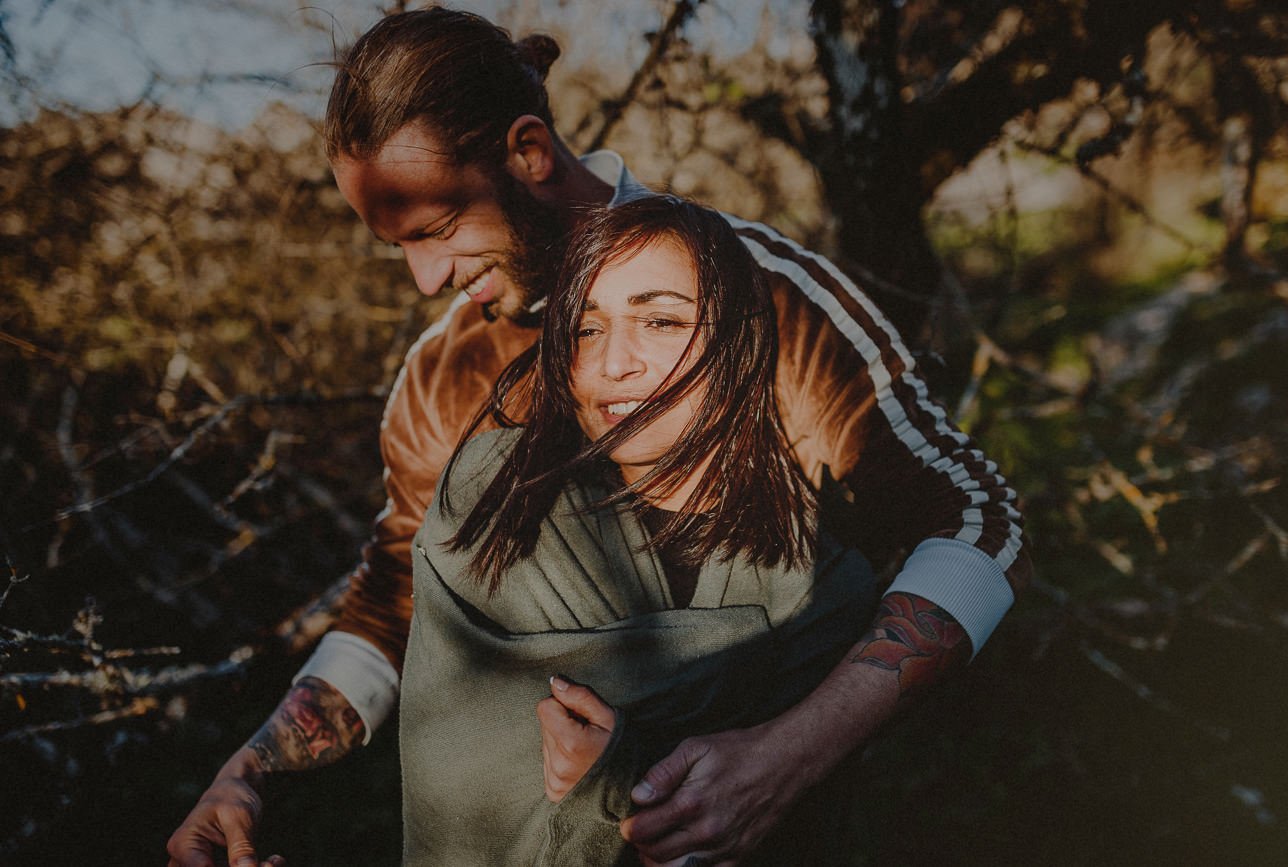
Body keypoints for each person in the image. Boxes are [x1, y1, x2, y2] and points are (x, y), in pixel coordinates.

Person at [166, 7, 1029, 867]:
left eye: (435, 231)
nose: (425, 277)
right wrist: (249, 772)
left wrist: (787, 756)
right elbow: (398, 599)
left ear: (529, 152)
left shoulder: (764, 299)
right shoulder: (443, 378)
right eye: (397, 246)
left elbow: (978, 523)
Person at [406, 195, 879, 865]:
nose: (612, 362)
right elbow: (459, 760)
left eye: (659, 320)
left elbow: (799, 826)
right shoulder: (496, 501)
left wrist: (625, 779)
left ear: (735, 339)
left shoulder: (815, 580)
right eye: (588, 328)